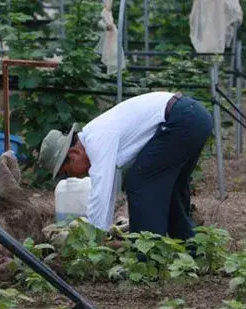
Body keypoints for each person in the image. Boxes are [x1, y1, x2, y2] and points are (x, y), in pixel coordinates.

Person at [38, 92, 213, 241]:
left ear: (73, 154)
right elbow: (109, 192)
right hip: (193, 117)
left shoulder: (96, 139)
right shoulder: (98, 135)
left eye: (68, 172)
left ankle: (147, 255)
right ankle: (188, 245)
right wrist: (103, 230)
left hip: (183, 118)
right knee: (170, 186)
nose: (75, 177)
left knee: (140, 182)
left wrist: (93, 240)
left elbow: (100, 192)